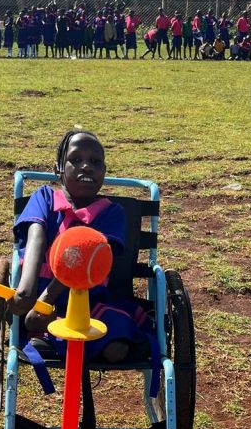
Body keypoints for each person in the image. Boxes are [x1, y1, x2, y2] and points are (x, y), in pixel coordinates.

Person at [8, 129, 155, 370]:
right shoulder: (44, 198)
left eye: (95, 162)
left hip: (89, 303)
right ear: (58, 169)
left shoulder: (111, 213)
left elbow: (83, 260)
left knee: (116, 348)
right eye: (75, 160)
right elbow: (35, 239)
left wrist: (44, 301)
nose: (86, 167)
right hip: (41, 302)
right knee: (40, 333)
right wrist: (26, 292)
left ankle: (54, 335)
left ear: (104, 171)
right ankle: (48, 332)